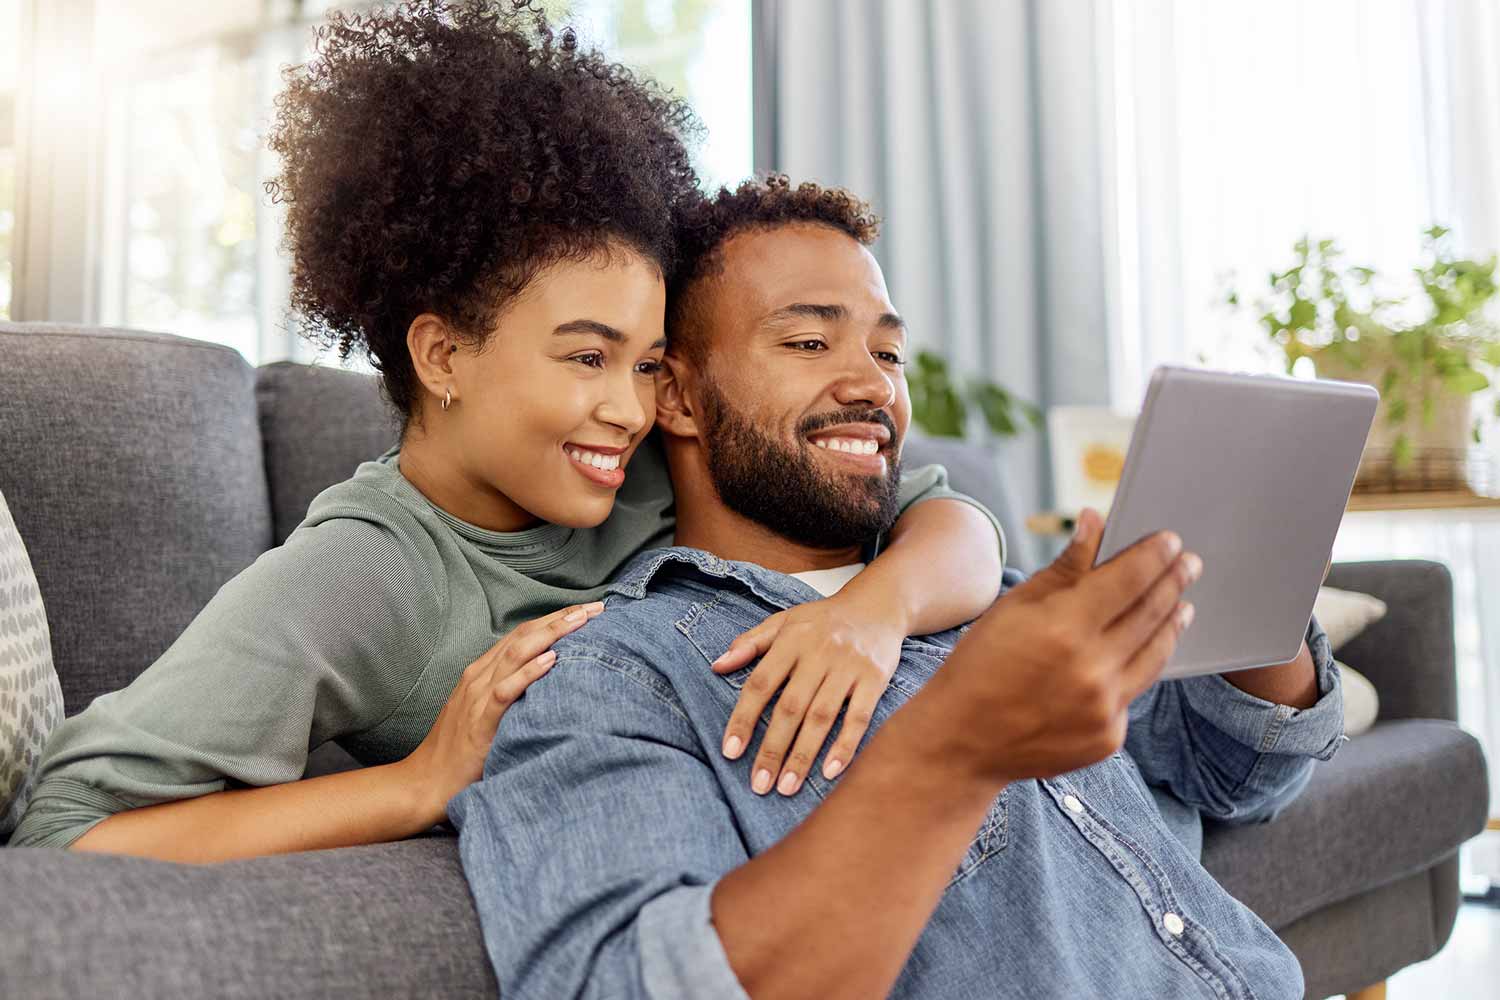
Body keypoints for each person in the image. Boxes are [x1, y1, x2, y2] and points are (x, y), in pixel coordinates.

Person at [8, 4, 1005, 860]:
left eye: (649, 362)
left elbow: (946, 519)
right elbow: (65, 827)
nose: (629, 405)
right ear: (443, 356)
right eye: (585, 357)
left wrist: (873, 613)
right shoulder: (364, 576)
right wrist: (417, 782)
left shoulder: (651, 458)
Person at [449, 176, 1346, 999]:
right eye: (808, 341)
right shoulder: (618, 677)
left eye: (889, 352)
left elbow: (1236, 773)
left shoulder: (987, 597)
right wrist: (954, 751)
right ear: (677, 398)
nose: (871, 382)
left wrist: (1245, 561)